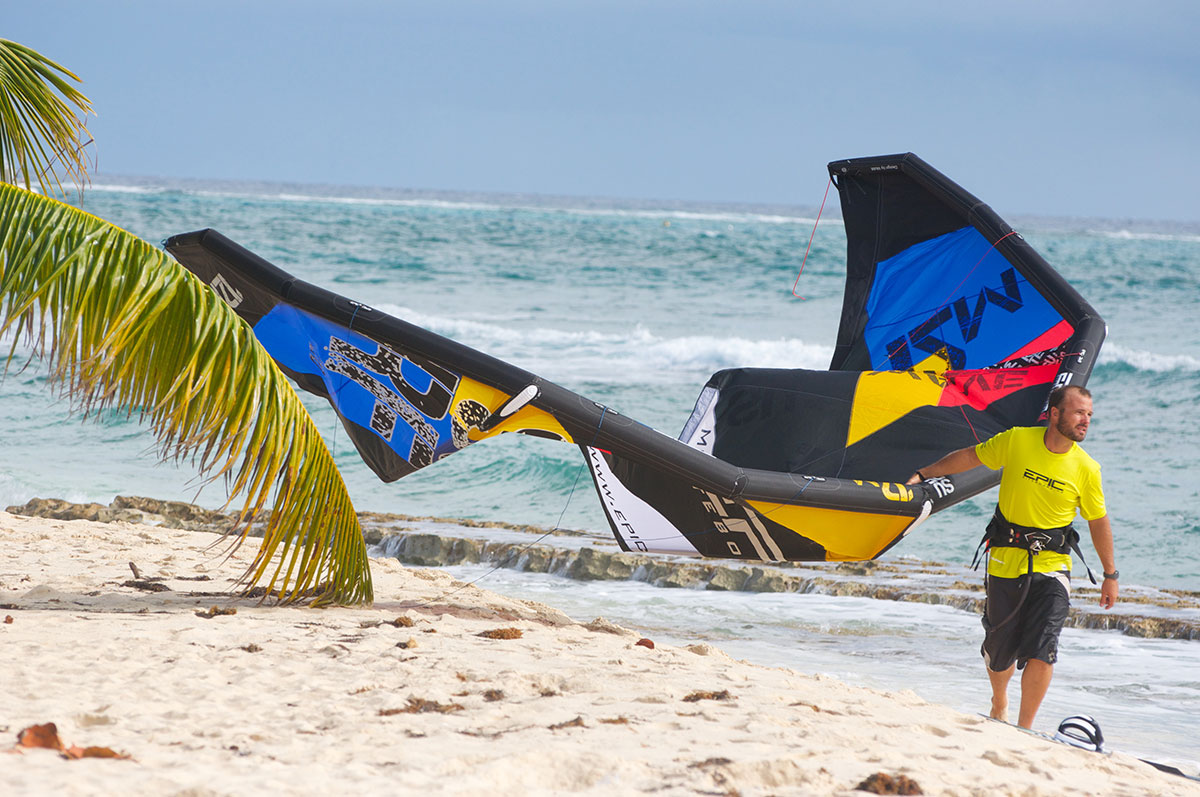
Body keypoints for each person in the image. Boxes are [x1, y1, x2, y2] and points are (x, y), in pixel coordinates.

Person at [905, 384, 1118, 729]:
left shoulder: (1087, 468)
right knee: (999, 649)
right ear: (1055, 414)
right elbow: (971, 457)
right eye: (1079, 412)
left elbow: (1098, 521)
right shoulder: (1018, 440)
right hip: (1005, 560)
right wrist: (926, 473)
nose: (1086, 420)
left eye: (1089, 414)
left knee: (1044, 647)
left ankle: (1024, 727)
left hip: (1052, 566)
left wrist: (1110, 574)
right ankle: (999, 700)